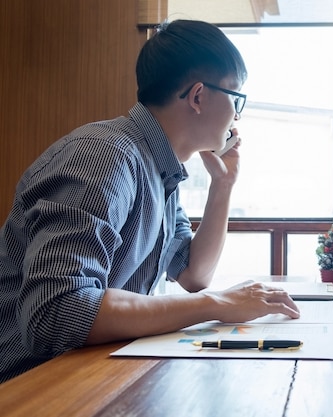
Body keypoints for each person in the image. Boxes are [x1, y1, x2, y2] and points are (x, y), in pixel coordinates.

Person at [0, 19, 300, 384]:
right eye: (236, 98)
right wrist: (216, 305)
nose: (238, 116)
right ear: (198, 96)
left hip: (94, 375)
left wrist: (223, 184)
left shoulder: (159, 169)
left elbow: (193, 275)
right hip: (31, 386)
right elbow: (55, 311)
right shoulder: (105, 156)